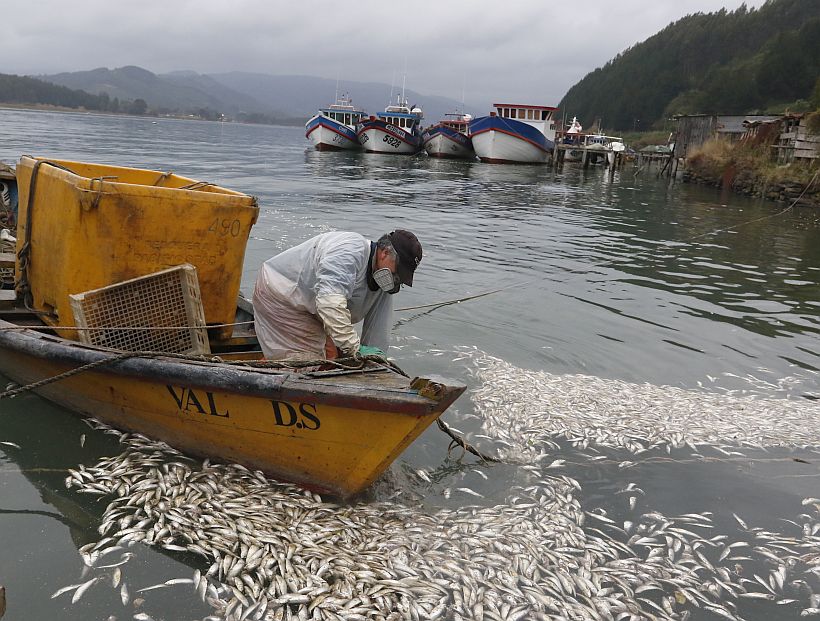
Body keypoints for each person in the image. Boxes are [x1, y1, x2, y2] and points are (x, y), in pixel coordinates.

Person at [253, 230, 422, 361]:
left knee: (333, 356)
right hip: (282, 294)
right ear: (384, 252)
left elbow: (379, 332)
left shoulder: (385, 279)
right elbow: (329, 303)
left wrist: (375, 362)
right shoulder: (349, 252)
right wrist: (354, 348)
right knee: (307, 363)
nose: (396, 278)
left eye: (401, 276)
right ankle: (262, 371)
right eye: (397, 270)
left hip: (312, 307)